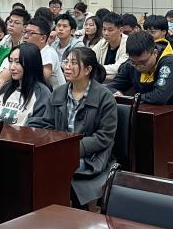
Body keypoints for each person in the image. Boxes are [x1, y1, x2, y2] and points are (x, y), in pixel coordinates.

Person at [29, 47, 118, 206]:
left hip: (91, 157)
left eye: (74, 63)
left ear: (88, 69)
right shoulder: (58, 92)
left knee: (54, 167)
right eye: (66, 62)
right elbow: (47, 123)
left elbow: (104, 137)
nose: (67, 67)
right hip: (59, 152)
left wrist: (72, 149)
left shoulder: (105, 97)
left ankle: (59, 209)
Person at [112, 31, 173, 153]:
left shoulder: (168, 63)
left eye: (143, 62)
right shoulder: (131, 64)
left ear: (155, 53)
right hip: (144, 122)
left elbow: (159, 96)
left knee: (161, 147)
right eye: (134, 63)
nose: (138, 67)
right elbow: (111, 87)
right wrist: (116, 94)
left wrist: (130, 98)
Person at [0, 43, 52, 125]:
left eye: (17, 62)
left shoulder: (42, 93)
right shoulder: (5, 87)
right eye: (10, 61)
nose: (12, 67)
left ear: (31, 64)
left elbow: (38, 125)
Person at [0, 16, 63, 89]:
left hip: (53, 95)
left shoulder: (48, 52)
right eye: (25, 32)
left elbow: (39, 78)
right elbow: (6, 72)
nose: (25, 36)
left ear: (43, 38)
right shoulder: (21, 51)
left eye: (31, 33)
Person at [92, 12, 128, 79]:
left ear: (121, 30)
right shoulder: (103, 42)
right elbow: (90, 56)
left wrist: (96, 69)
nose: (106, 33)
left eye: (110, 30)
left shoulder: (128, 44)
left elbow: (119, 67)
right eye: (104, 29)